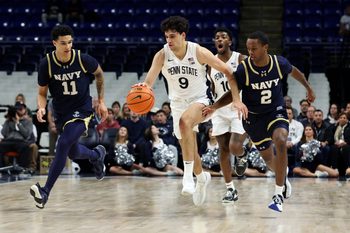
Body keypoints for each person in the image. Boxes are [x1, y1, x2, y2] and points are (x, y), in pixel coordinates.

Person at [136, 16, 247, 206]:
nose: (168, 41)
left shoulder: (198, 51)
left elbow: (229, 72)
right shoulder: (162, 55)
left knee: (185, 122)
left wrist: (236, 98)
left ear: (183, 35)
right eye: (166, 37)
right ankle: (201, 177)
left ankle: (187, 177)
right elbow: (148, 82)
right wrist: (142, 91)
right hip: (177, 103)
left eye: (172, 37)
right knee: (189, 148)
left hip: (200, 101)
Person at [203, 31, 315, 212]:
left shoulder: (279, 63)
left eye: (254, 49)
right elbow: (231, 94)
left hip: (275, 112)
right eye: (248, 48)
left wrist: (309, 89)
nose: (251, 52)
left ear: (265, 48)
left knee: (280, 138)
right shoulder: (244, 68)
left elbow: (296, 73)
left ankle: (278, 193)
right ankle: (282, 177)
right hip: (254, 118)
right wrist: (215, 107)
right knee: (269, 159)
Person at [29, 25, 108, 209]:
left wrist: (101, 100)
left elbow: (99, 74)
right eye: (63, 43)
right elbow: (42, 93)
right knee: (72, 152)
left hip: (82, 110)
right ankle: (97, 154)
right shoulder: (46, 64)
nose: (68, 46)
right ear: (54, 43)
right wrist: (41, 108)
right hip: (61, 113)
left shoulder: (82, 59)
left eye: (70, 42)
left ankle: (45, 191)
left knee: (63, 144)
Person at [207, 27, 248, 203]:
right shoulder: (210, 63)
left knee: (234, 146)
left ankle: (241, 155)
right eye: (216, 37)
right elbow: (211, 88)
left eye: (223, 37)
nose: (219, 39)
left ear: (230, 42)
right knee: (222, 149)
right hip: (219, 110)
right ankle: (230, 189)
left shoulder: (240, 59)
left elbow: (240, 86)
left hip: (238, 108)